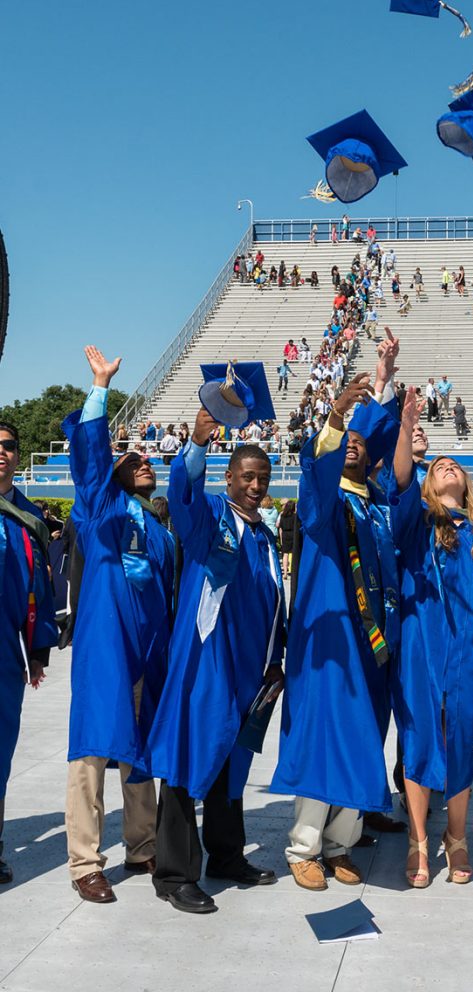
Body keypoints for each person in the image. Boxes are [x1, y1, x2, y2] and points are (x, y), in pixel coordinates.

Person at [271, 337, 402, 892]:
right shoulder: (323, 502)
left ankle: (340, 842)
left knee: (363, 737)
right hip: (329, 636)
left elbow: (392, 449)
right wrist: (338, 412)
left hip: (373, 643)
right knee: (325, 735)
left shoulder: (376, 503)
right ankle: (303, 846)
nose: (350, 445)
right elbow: (315, 465)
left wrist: (385, 379)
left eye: (357, 441)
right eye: (342, 441)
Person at [142, 406, 284, 913]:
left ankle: (226, 855)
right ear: (229, 477)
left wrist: (275, 659)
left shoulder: (265, 536)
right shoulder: (210, 521)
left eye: (263, 478)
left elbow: (271, 604)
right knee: (188, 758)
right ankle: (175, 874)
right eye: (247, 476)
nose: (256, 486)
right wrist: (198, 444)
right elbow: (182, 493)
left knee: (231, 761)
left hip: (248, 672)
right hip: (205, 666)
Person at [60, 347, 176, 902]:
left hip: (147, 650)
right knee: (92, 748)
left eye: (148, 458)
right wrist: (101, 389)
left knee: (140, 748)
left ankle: (142, 845)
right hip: (105, 647)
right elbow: (89, 459)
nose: (144, 460)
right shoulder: (97, 509)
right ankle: (85, 861)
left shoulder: (158, 528)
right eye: (132, 459)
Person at [390, 411, 473, 887]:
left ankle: (457, 836)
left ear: (465, 481)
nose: (446, 467)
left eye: (453, 465)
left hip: (471, 651)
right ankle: (418, 840)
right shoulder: (416, 523)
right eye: (437, 465)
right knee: (419, 737)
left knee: (462, 738)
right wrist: (405, 429)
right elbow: (402, 478)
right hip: (422, 646)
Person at [0, 415, 59, 885]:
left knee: (0, 753)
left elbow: (40, 586)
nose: (1, 452)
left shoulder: (30, 519)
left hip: (3, 655)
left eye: (9, 446)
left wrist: (38, 650)